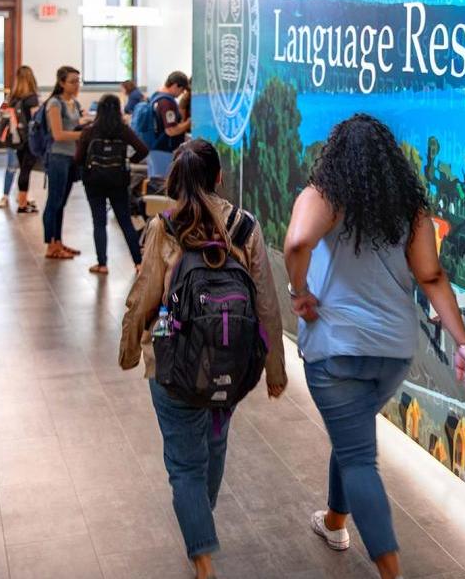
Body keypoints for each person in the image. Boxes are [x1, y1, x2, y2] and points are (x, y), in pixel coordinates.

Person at [282, 113, 465, 579]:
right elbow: (431, 277)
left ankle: (391, 572)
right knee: (352, 437)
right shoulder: (410, 213)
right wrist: (462, 342)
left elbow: (296, 243)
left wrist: (298, 292)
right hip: (392, 352)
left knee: (358, 458)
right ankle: (334, 522)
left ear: (336, 156)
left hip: (338, 349)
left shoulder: (324, 198)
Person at [119, 139, 288, 579]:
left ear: (176, 179)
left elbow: (146, 294)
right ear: (218, 177)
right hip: (228, 367)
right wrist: (274, 370)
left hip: (172, 366)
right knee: (213, 447)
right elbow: (266, 303)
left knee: (183, 464)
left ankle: (203, 559)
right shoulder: (245, 227)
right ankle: (201, 514)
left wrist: (130, 346)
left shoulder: (165, 226)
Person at [76, 93, 148, 274]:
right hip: (118, 181)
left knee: (99, 223)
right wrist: (129, 160)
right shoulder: (123, 130)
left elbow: (78, 158)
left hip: (94, 182)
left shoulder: (89, 131)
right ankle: (138, 263)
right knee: (125, 222)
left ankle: (102, 264)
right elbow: (143, 149)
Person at [42, 65, 86, 259]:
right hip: (58, 157)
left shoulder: (73, 103)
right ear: (61, 83)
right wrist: (83, 133)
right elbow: (58, 134)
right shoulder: (55, 103)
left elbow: (76, 125)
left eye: (78, 81)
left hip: (71, 157)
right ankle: (50, 244)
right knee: (54, 201)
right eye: (72, 81)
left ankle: (58, 241)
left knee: (62, 202)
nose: (76, 85)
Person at [0, 66, 40, 213]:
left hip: (16, 139)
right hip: (29, 139)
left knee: (19, 168)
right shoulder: (32, 98)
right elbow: (36, 120)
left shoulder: (13, 98)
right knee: (25, 170)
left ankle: (18, 198)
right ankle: (22, 204)